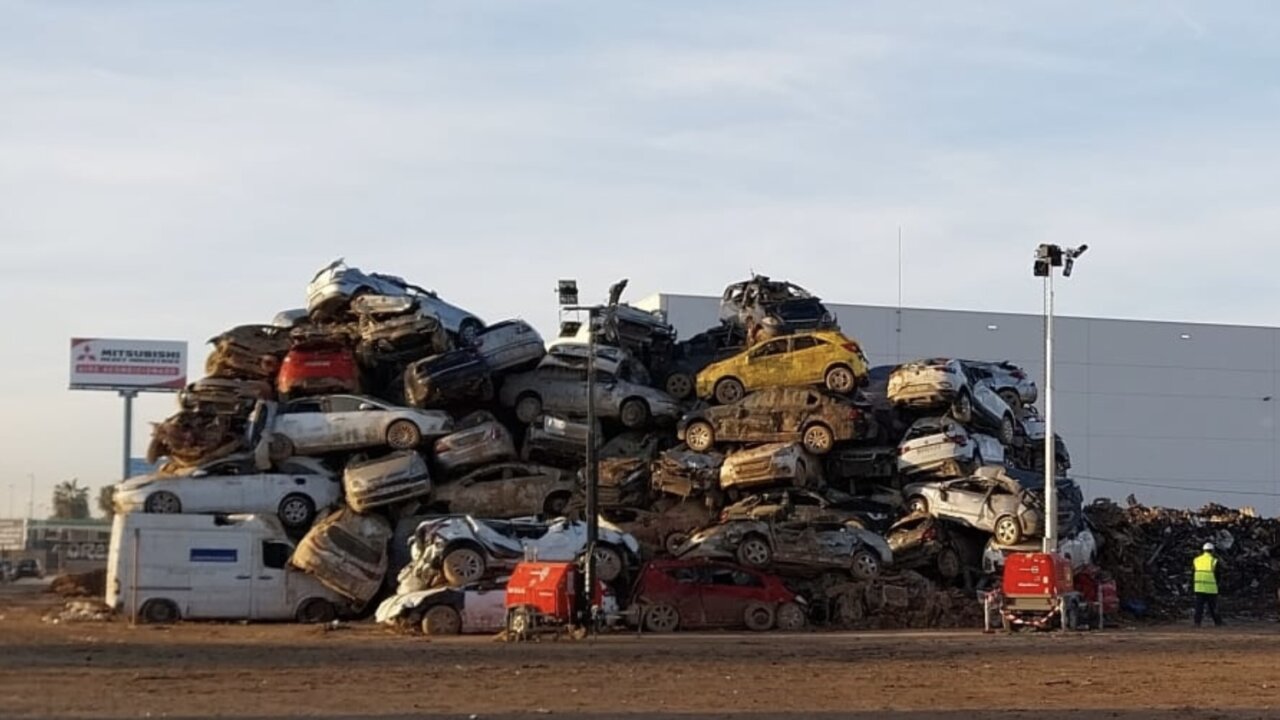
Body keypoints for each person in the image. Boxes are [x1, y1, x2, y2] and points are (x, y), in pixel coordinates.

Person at [1193, 542, 1224, 627]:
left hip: (1199, 587)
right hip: (1211, 588)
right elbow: (1218, 575)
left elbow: (1193, 572)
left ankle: (1197, 622)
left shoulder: (1196, 560)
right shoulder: (1214, 561)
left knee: (1199, 607)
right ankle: (1218, 622)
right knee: (1213, 607)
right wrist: (1218, 584)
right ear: (1212, 551)